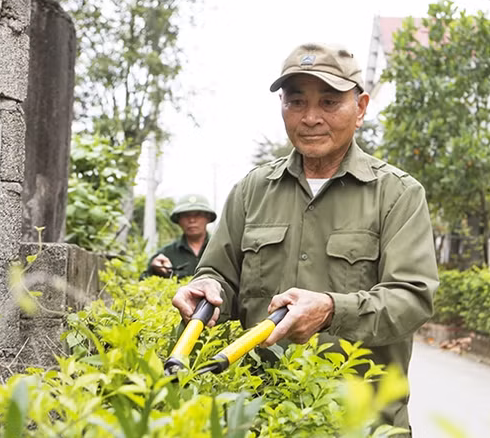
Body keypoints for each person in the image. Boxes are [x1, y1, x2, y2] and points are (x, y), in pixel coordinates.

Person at [172, 42, 439, 432]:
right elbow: (219, 276)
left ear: (360, 107)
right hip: (260, 418)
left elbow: (411, 298)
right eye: (296, 102)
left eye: (329, 102)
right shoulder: (251, 190)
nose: (310, 117)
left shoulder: (398, 194)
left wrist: (331, 309)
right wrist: (205, 288)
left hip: (359, 423)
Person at [145, 194, 217, 278]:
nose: (192, 220)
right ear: (178, 220)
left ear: (208, 218)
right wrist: (154, 270)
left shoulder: (221, 250)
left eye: (198, 214)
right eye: (186, 215)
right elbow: (144, 281)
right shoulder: (166, 254)